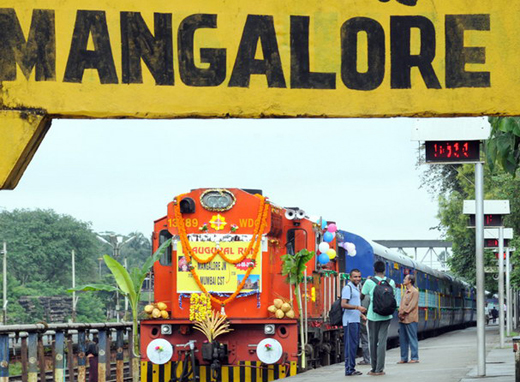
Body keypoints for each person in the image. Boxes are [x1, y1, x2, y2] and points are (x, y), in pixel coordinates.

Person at [361, 260, 396, 376]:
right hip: (387, 315)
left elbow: (363, 294)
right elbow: (393, 297)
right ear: (384, 270)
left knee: (373, 342)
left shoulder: (370, 282)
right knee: (382, 342)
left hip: (373, 315)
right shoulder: (391, 282)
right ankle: (380, 369)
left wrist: (367, 280)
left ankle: (373, 368)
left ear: (374, 270)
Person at [341, 269, 367, 376]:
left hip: (355, 320)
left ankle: (352, 367)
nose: (357, 279)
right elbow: (343, 304)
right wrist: (357, 307)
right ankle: (349, 369)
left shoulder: (356, 288)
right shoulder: (348, 288)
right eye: (355, 277)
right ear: (350, 277)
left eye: (359, 277)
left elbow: (355, 303)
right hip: (349, 321)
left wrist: (361, 315)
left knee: (354, 345)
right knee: (350, 346)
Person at [397, 274, 419, 364]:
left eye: (405, 279)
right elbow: (402, 304)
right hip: (402, 319)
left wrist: (403, 312)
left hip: (411, 318)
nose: (403, 280)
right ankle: (404, 358)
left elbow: (412, 305)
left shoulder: (414, 292)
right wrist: (400, 312)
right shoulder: (405, 292)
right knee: (403, 339)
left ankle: (414, 357)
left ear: (410, 281)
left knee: (412, 338)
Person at [358, 285, 371, 366]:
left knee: (365, 340)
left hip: (363, 321)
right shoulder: (369, 297)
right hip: (370, 320)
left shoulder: (362, 298)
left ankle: (366, 359)